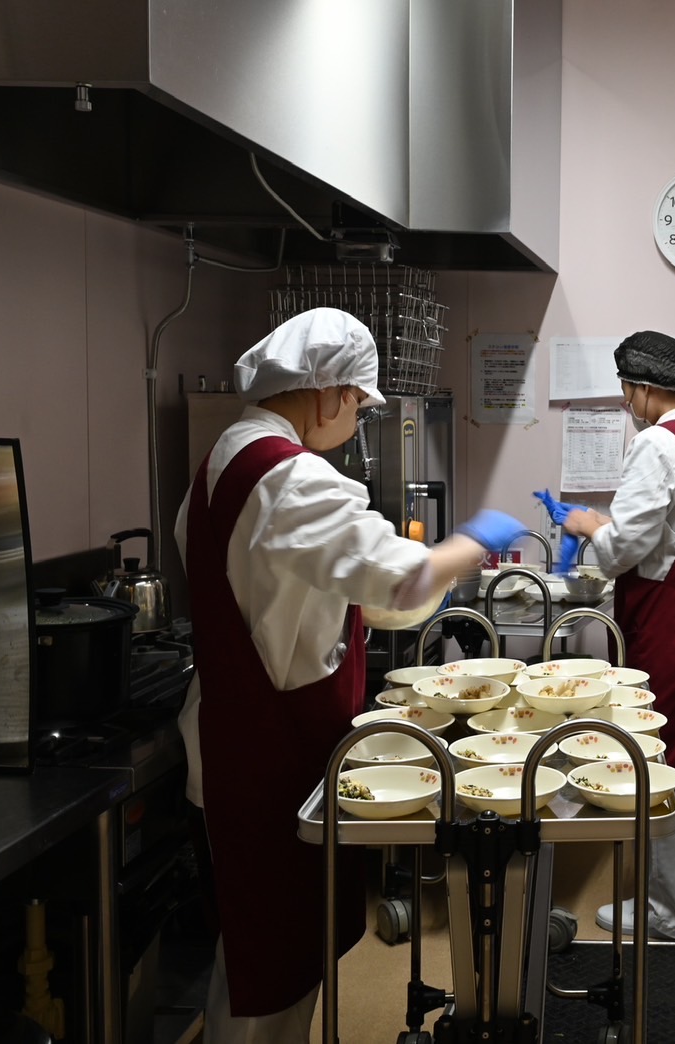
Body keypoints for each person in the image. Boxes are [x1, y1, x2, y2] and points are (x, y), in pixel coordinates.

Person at [175, 308, 525, 1042]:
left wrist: (413, 582)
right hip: (269, 752)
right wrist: (475, 543)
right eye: (360, 406)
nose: (357, 421)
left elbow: (338, 587)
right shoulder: (291, 477)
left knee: (255, 952)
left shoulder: (225, 457)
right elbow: (400, 579)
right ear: (329, 392)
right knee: (272, 971)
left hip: (236, 737)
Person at [561, 330, 675, 940]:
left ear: (645, 388)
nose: (625, 402)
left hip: (670, 624)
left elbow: (623, 550)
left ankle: (667, 909)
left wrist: (591, 524)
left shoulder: (656, 444)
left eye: (626, 390)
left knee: (662, 759)